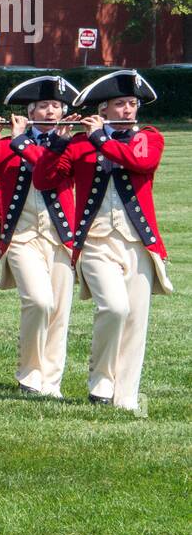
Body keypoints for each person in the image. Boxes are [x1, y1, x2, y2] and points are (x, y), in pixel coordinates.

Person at [32, 71, 170, 410]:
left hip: (139, 243)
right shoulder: (79, 142)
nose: (127, 110)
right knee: (114, 307)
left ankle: (125, 397)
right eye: (120, 104)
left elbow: (141, 162)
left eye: (132, 104)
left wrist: (98, 139)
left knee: (136, 319)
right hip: (94, 242)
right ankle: (100, 384)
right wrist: (61, 142)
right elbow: (44, 179)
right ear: (103, 109)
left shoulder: (148, 137)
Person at [0, 76, 78, 397]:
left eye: (56, 105)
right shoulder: (6, 144)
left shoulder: (71, 145)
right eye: (43, 106)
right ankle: (29, 374)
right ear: (30, 110)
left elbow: (50, 173)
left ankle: (51, 381)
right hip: (22, 237)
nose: (50, 111)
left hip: (61, 237)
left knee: (59, 312)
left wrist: (22, 142)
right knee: (39, 302)